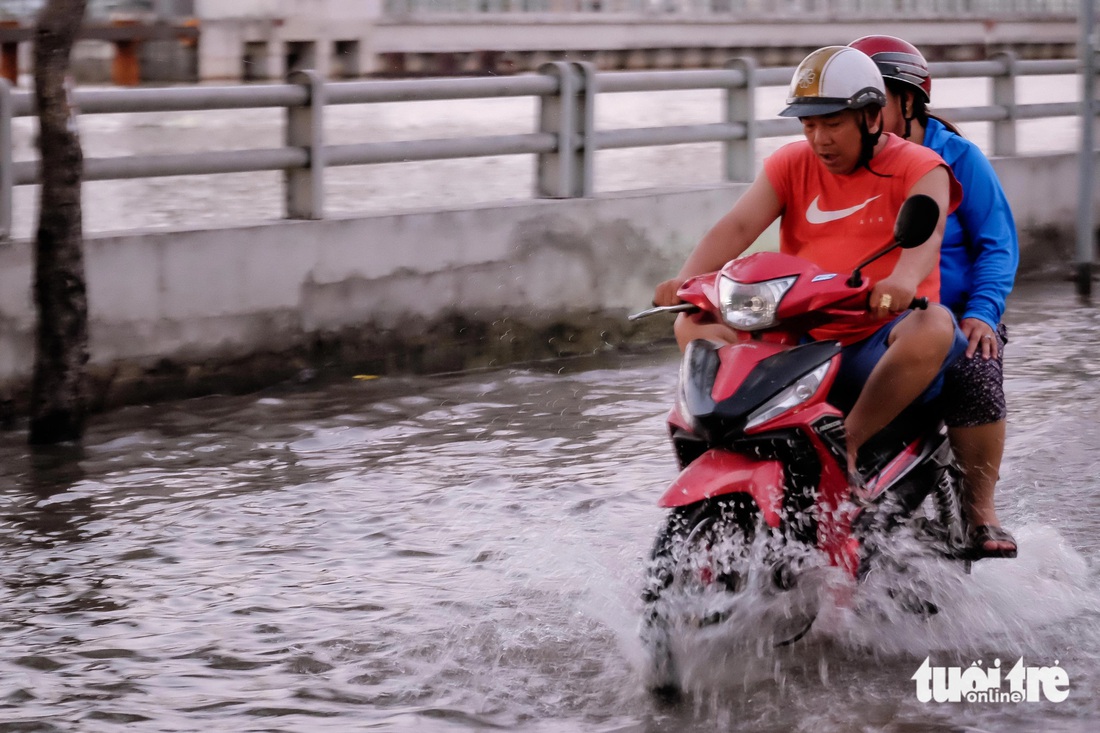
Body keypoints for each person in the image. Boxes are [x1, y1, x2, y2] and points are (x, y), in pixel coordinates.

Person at [652, 45, 968, 488]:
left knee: (933, 324)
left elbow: (928, 234)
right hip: (799, 333)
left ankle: (850, 445)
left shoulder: (921, 166)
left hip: (876, 337)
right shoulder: (790, 163)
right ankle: (730, 440)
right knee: (693, 322)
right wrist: (686, 279)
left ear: (873, 117)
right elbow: (738, 225)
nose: (820, 139)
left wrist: (901, 280)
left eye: (833, 123)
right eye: (809, 124)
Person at [849, 35, 1018, 559]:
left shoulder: (956, 156)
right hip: (869, 318)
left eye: (877, 103)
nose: (866, 117)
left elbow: (997, 244)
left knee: (976, 370)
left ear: (909, 101)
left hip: (952, 318)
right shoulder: (845, 160)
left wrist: (982, 314)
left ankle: (979, 511)